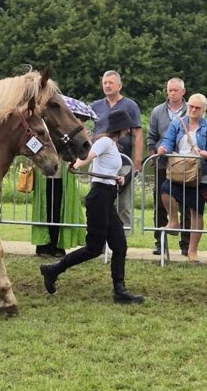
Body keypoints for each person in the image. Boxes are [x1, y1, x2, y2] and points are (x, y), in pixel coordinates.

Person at [40, 109, 145, 305]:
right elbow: (89, 156)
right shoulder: (104, 142)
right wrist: (77, 165)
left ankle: (120, 290)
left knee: (120, 245)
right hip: (99, 198)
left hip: (107, 196)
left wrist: (118, 178)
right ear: (122, 127)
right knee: (94, 248)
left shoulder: (113, 145)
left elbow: (103, 168)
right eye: (127, 126)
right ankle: (53, 270)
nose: (130, 129)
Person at [156, 93, 207, 263]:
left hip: (201, 174)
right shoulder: (177, 122)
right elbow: (168, 141)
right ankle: (174, 221)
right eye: (191, 106)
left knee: (196, 211)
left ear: (204, 109)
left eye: (197, 107)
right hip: (179, 170)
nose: (193, 110)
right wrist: (163, 148)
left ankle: (192, 251)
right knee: (165, 189)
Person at [90, 71, 143, 234]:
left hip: (123, 162)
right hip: (100, 163)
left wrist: (138, 162)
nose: (107, 85)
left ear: (119, 86)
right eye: (105, 82)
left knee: (124, 203)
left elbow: (138, 134)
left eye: (111, 83)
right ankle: (99, 237)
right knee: (100, 200)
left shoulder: (130, 105)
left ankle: (123, 239)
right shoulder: (95, 106)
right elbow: (79, 122)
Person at [146, 78, 190, 255]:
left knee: (187, 203)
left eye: (175, 90)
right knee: (160, 203)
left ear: (183, 92)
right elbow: (151, 136)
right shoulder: (157, 111)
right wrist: (153, 155)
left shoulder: (191, 109)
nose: (171, 93)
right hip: (163, 163)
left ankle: (186, 244)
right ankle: (160, 242)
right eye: (169, 90)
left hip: (186, 164)